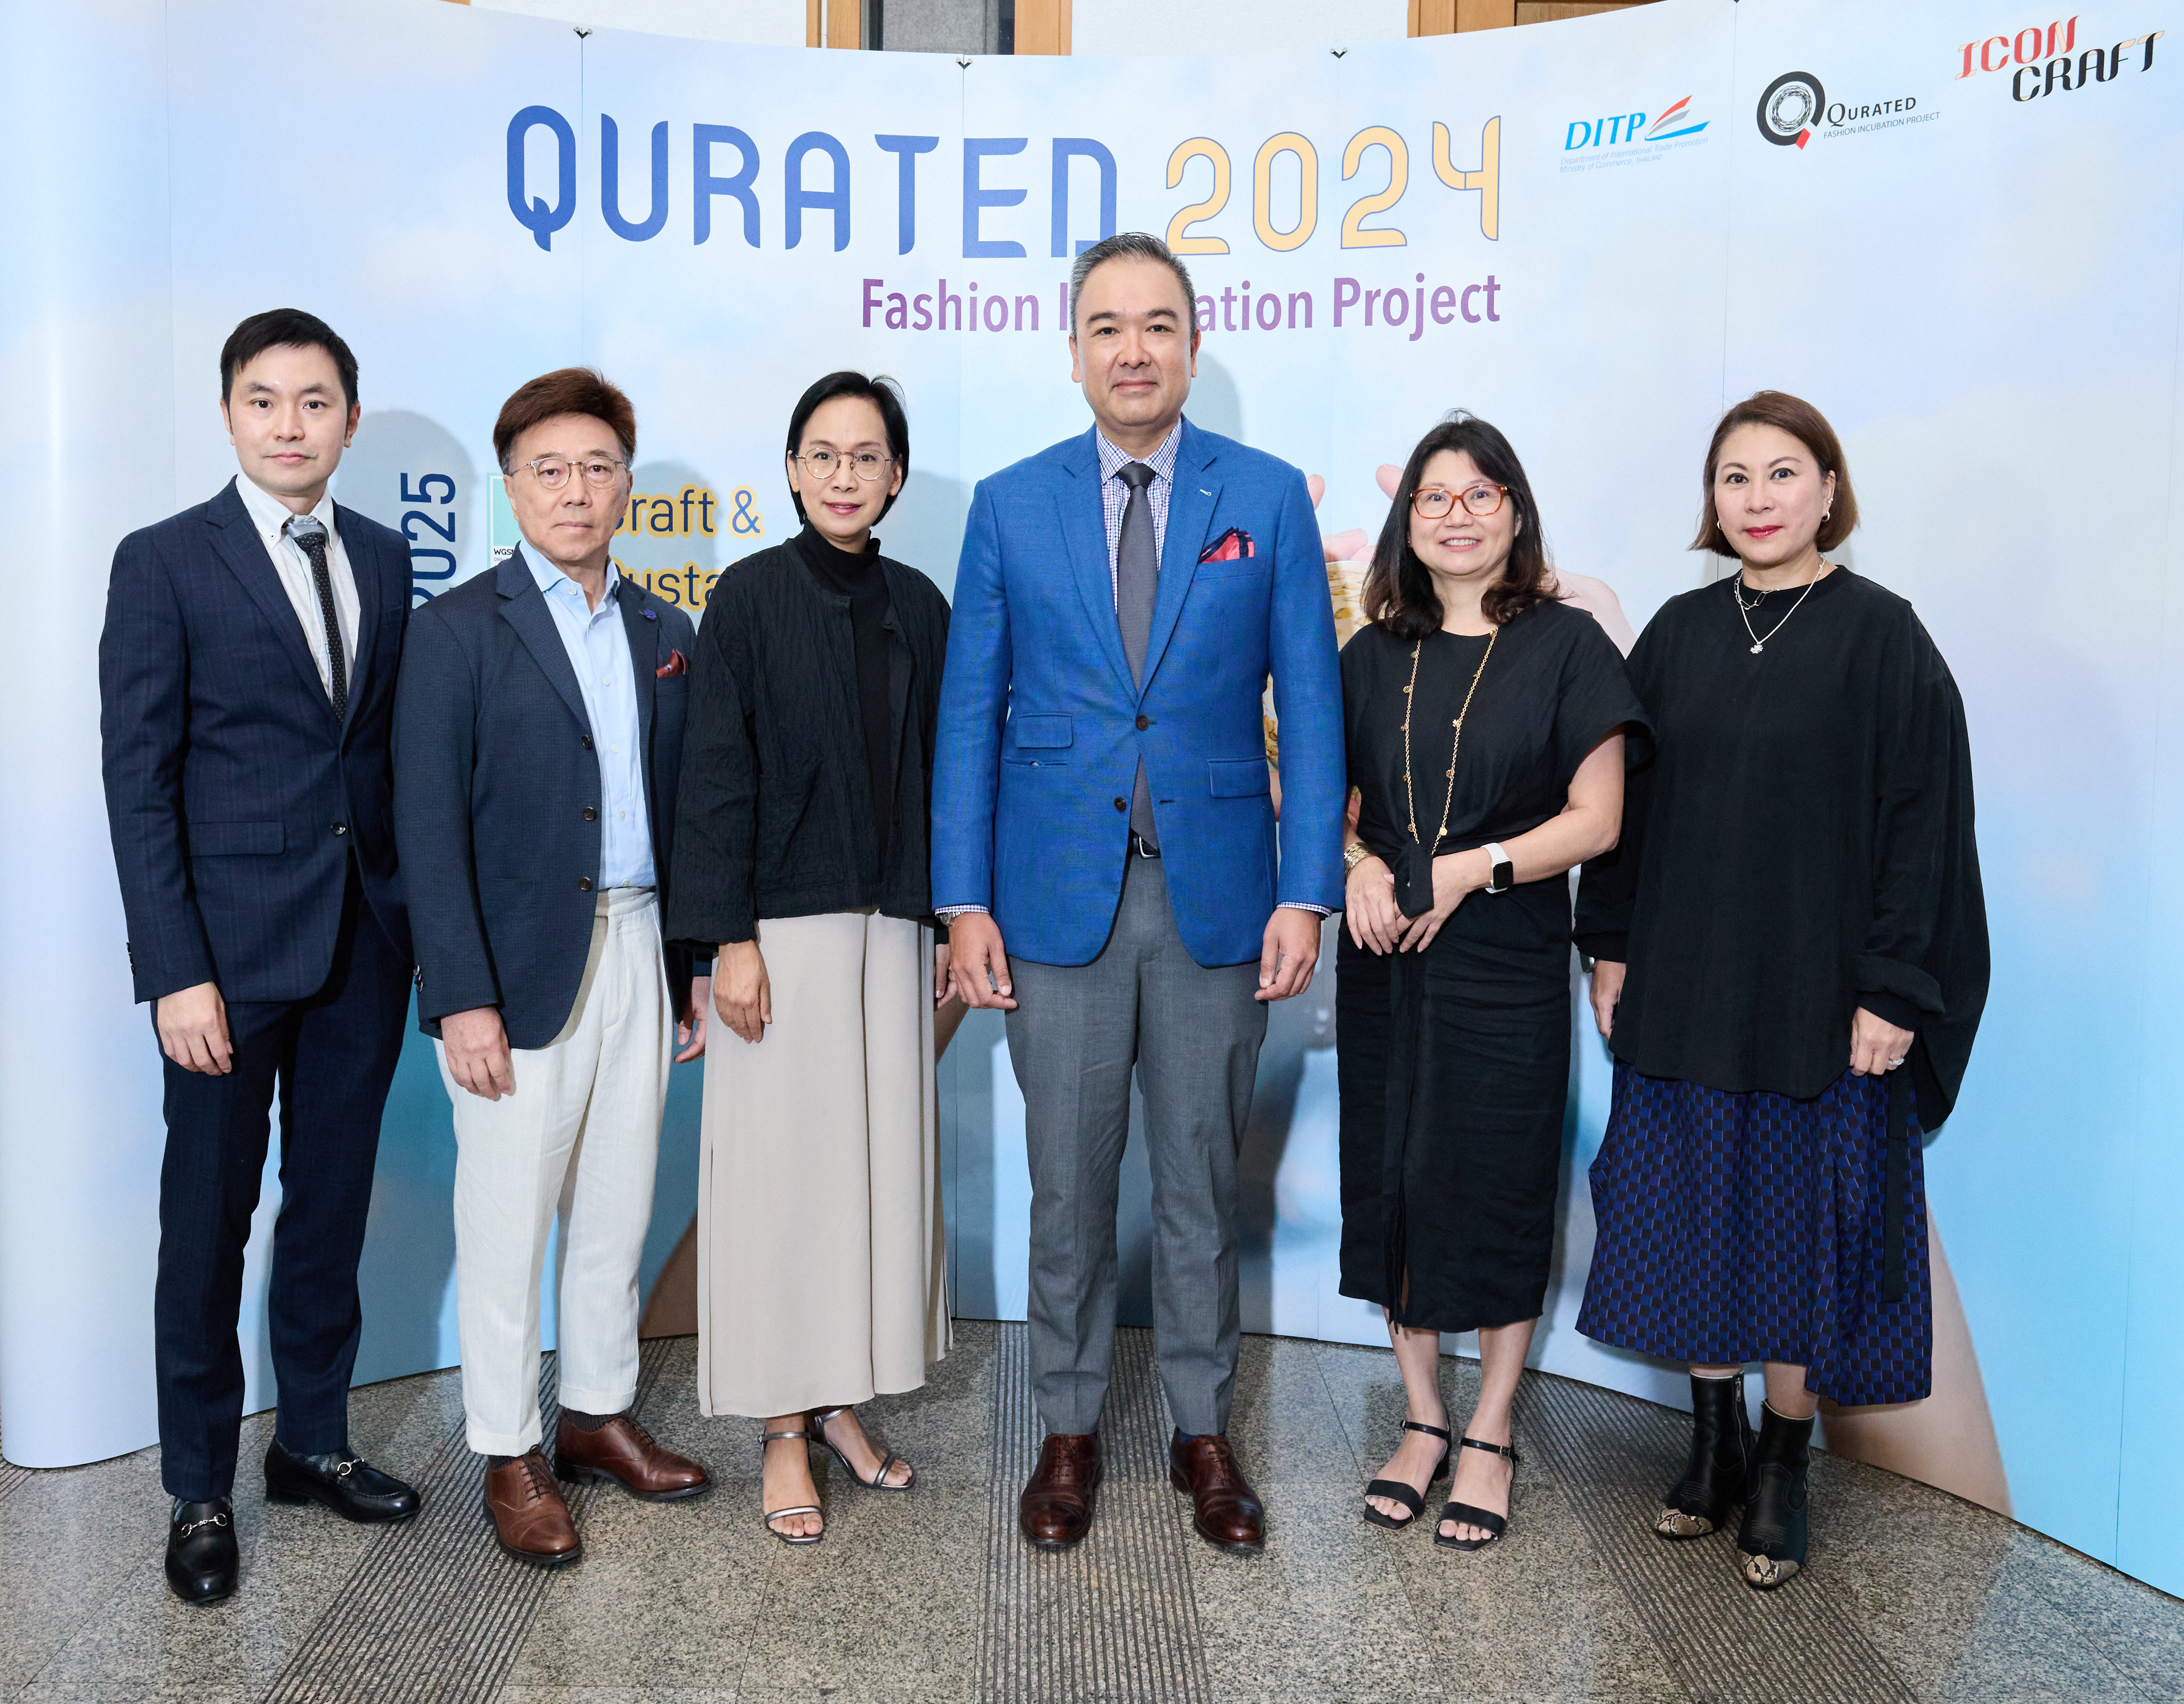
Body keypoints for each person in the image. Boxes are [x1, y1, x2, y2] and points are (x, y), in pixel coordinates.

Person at [932, 231, 1346, 1556]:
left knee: (1198, 1184)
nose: (1132, 349)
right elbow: (970, 715)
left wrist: (1308, 893)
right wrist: (963, 902)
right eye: (1106, 326)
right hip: (1053, 905)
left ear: (1194, 345)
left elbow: (1312, 708)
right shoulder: (1009, 504)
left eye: (1157, 324)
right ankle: (1066, 1428)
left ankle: (1201, 1429)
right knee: (1065, 1188)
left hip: (1219, 902)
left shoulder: (1264, 497)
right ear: (1073, 352)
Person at [1574, 391, 1988, 1591]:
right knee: (1691, 1221)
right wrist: (1610, 945)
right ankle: (1712, 1445)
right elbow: (1627, 805)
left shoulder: (1883, 636)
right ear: (1713, 501)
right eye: (1735, 477)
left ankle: (1783, 1465)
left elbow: (1924, 828)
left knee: (1805, 1237)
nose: (1758, 499)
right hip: (1687, 985)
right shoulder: (1678, 633)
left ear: (1828, 490)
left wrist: (1894, 991)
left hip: (1822, 1000)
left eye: (1783, 472)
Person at [99, 309, 423, 1606]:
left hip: (363, 946)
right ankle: (197, 1488)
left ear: (350, 416)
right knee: (206, 1225)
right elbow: (140, 784)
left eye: (315, 401)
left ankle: (311, 1442)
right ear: (229, 413)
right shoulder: (164, 561)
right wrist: (174, 971)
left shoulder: (386, 556)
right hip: (223, 967)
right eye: (264, 400)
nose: (291, 425)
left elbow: (379, 756)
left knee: (331, 1207)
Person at [393, 368, 714, 1568]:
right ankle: (508, 1448)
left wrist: (689, 965)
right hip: (514, 967)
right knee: (506, 1219)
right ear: (511, 487)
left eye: (596, 468)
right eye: (549, 470)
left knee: (618, 1204)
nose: (575, 490)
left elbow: (684, 812)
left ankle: (596, 1413)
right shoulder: (454, 631)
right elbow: (426, 828)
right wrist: (460, 996)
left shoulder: (664, 631)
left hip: (639, 941)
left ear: (625, 485)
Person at [1338, 413, 1645, 1551]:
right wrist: (1359, 864)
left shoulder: (1569, 644)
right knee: (1395, 1179)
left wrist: (1473, 868)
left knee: (1502, 1184)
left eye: (1481, 493)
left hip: (1507, 955)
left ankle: (1492, 1428)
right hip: (1385, 956)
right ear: (1405, 520)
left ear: (1515, 511)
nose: (1456, 514)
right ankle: (1423, 1417)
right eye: (1433, 496)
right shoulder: (1368, 654)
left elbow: (1598, 818)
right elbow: (1323, 800)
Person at [665, 372, 952, 1545]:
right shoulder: (745, 598)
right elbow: (714, 776)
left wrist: (949, 919)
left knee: (869, 1184)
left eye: (866, 456)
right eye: (822, 454)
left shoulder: (920, 604)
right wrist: (726, 940)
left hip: (894, 931)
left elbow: (944, 774)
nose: (844, 475)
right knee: (782, 1186)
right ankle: (783, 1423)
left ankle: (840, 1402)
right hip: (778, 936)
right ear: (791, 470)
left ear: (895, 475)